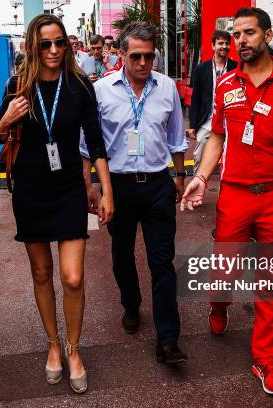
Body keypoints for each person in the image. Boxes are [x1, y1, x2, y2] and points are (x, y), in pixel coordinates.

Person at [181, 8, 273, 396]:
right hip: (235, 196)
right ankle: (218, 303)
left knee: (271, 278)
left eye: (248, 33)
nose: (240, 40)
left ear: (267, 34)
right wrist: (199, 177)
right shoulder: (226, 84)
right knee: (224, 270)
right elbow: (217, 138)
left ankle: (265, 360)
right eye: (236, 34)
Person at [0, 14, 113, 394]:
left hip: (69, 191)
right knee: (42, 274)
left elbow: (96, 143)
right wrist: (6, 119)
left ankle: (75, 347)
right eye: (45, 44)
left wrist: (105, 190)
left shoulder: (79, 85)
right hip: (29, 191)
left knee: (73, 277)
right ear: (33, 45)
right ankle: (54, 345)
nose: (54, 50)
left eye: (59, 42)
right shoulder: (17, 85)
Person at [81, 21, 188, 364]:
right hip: (119, 187)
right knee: (122, 252)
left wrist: (180, 175)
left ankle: (168, 339)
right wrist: (92, 186)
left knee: (162, 261)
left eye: (149, 56)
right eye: (137, 56)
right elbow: (88, 144)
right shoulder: (102, 90)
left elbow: (176, 137)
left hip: (158, 184)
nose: (144, 63)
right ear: (122, 54)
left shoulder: (167, 87)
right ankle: (130, 304)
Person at [188, 30, 238, 167]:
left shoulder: (237, 68)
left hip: (230, 120)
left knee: (231, 159)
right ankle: (199, 186)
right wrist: (192, 125)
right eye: (220, 43)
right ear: (213, 46)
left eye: (227, 43)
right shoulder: (201, 69)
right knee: (199, 157)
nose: (224, 46)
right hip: (208, 119)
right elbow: (196, 98)